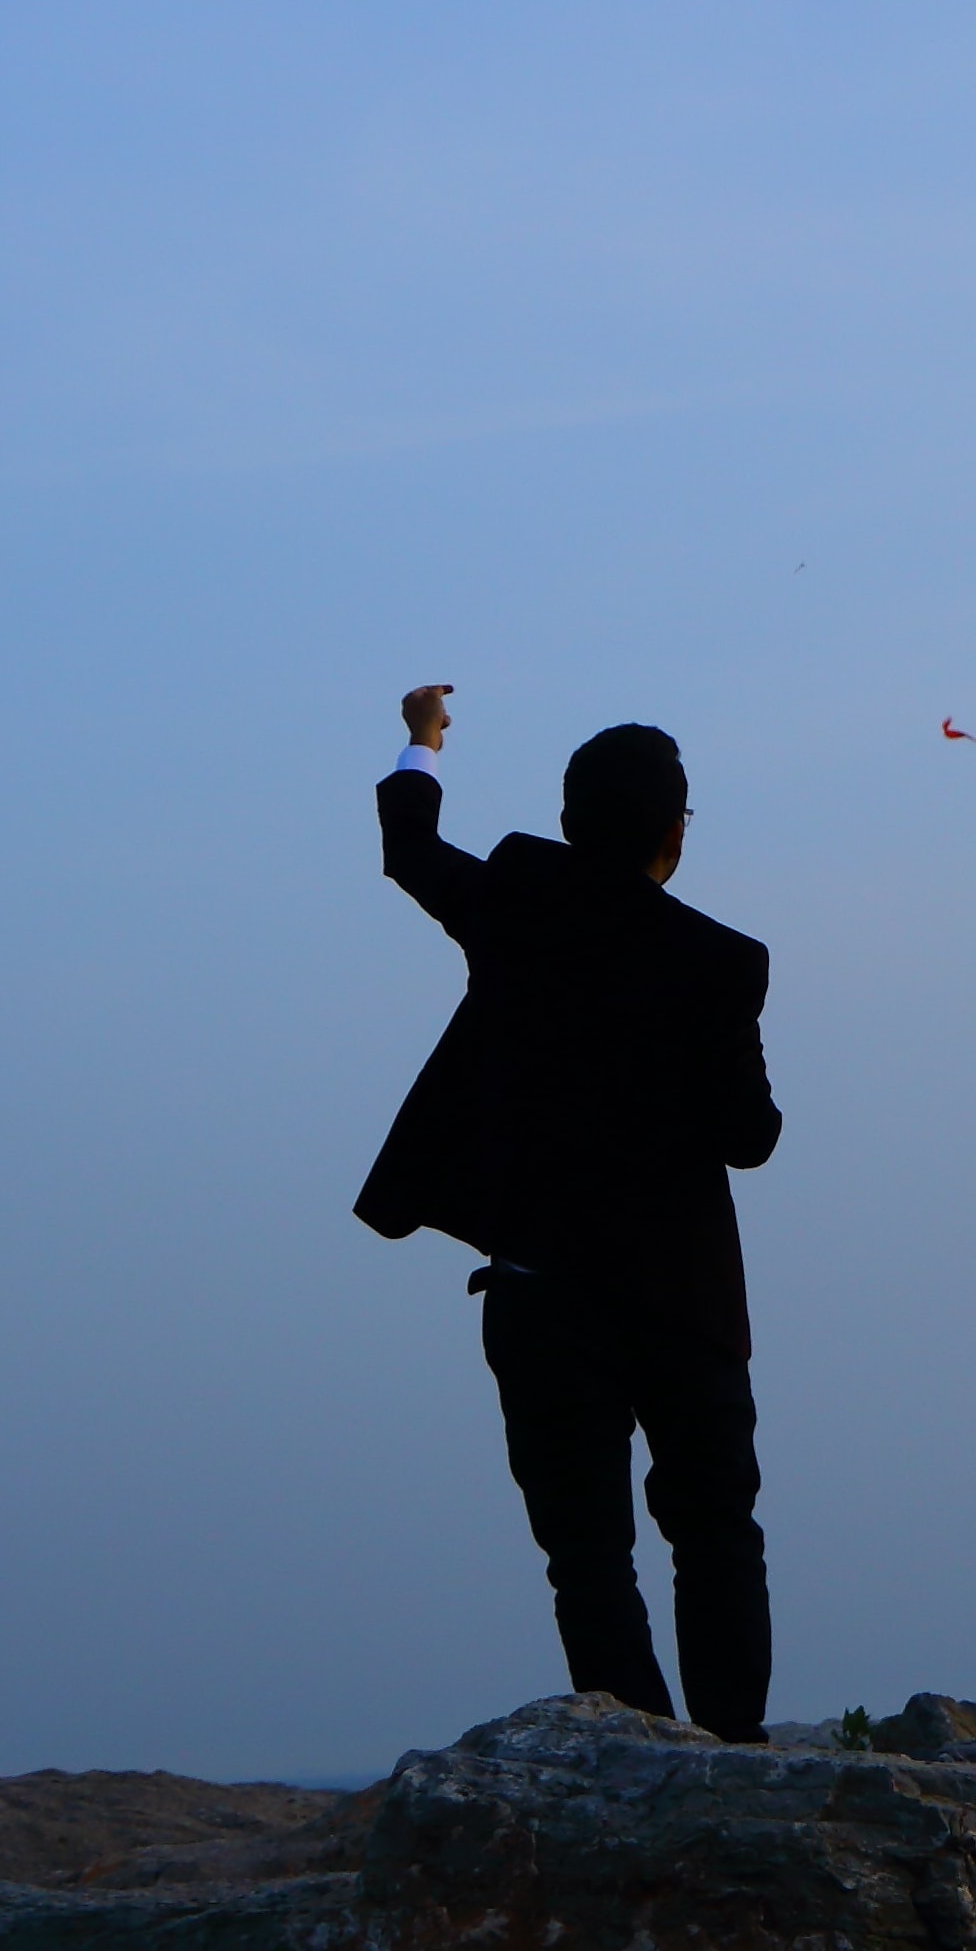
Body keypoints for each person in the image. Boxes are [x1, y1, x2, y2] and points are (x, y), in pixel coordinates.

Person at [357, 684, 783, 1741]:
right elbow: (750, 1136)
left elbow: (410, 850)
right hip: (682, 1300)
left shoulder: (519, 895)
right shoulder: (722, 962)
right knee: (715, 1532)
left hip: (542, 1293)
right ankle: (732, 1751)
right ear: (675, 830)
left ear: (567, 817)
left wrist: (421, 741)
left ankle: (638, 1753)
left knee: (587, 1556)